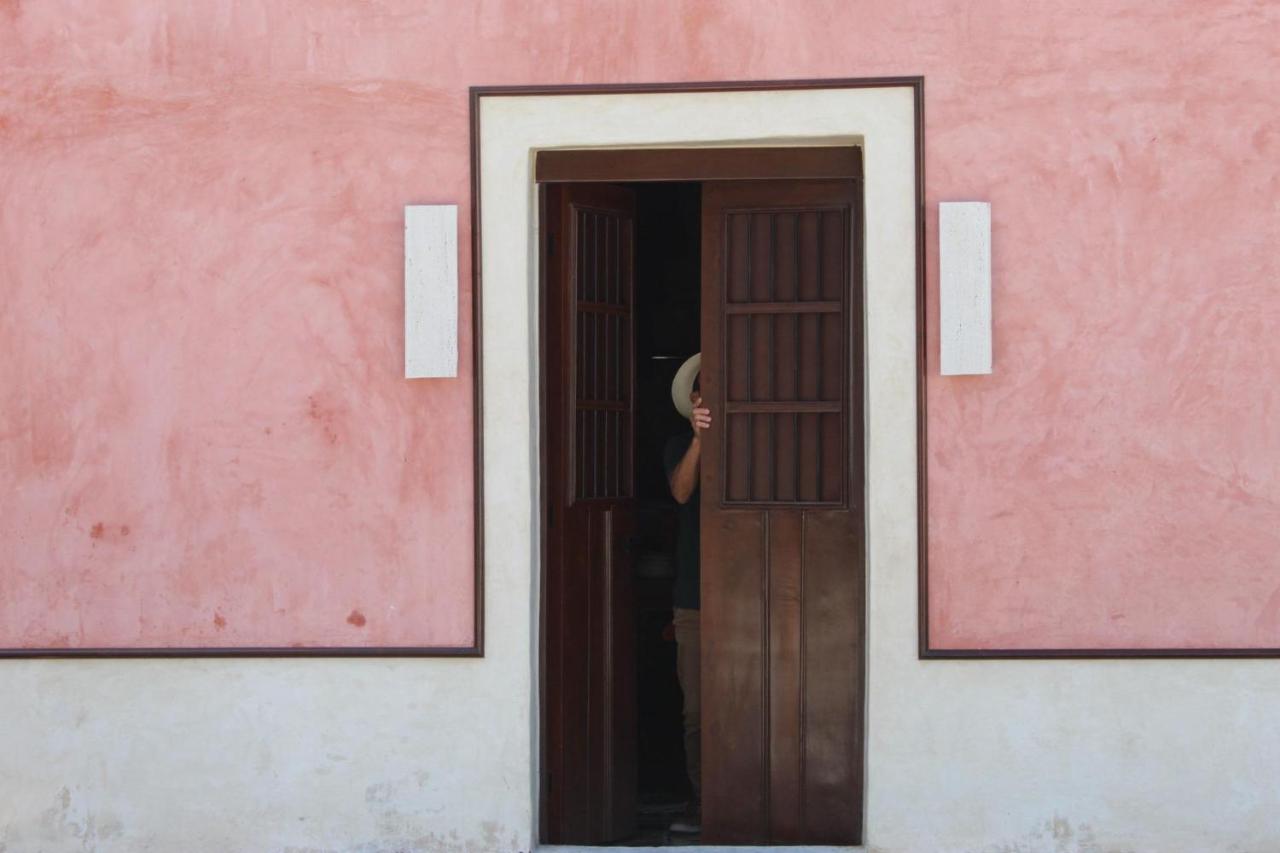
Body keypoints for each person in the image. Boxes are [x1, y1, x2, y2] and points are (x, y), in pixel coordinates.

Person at [662, 353, 710, 835]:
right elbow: (680, 492)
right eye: (702, 391)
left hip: (753, 595)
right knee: (697, 709)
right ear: (692, 399)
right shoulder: (679, 443)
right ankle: (703, 803)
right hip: (694, 598)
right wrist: (699, 441)